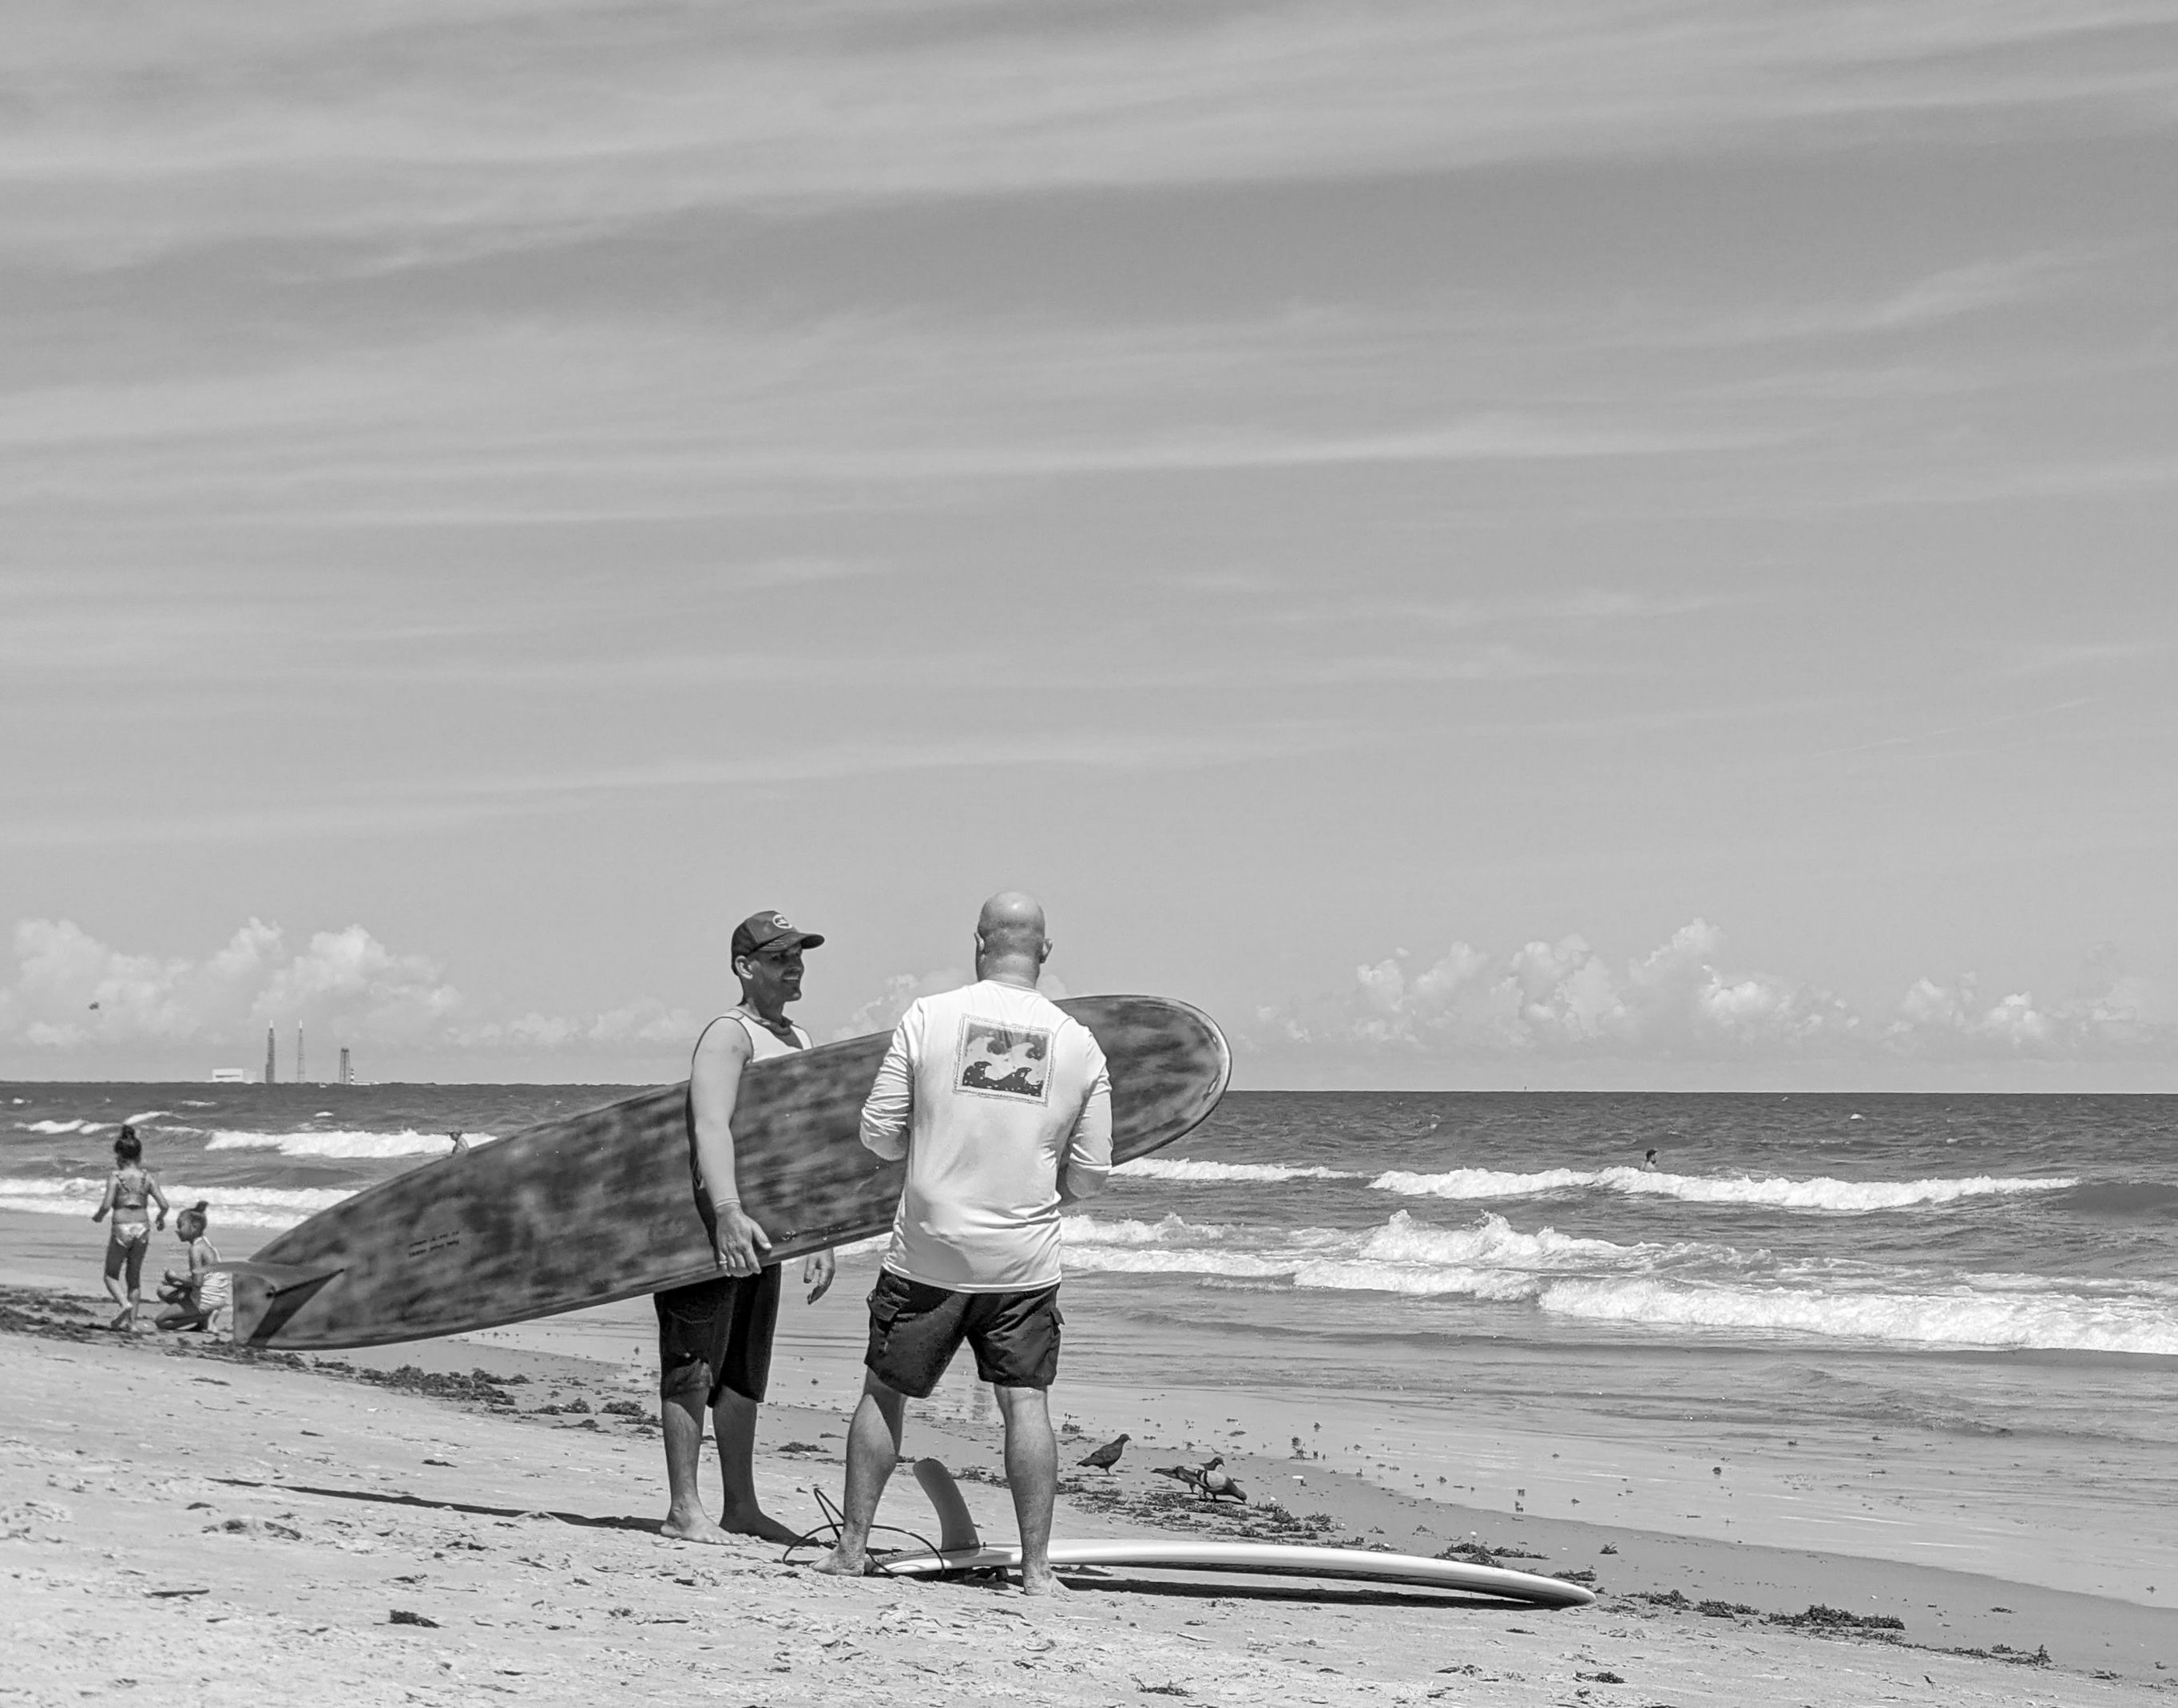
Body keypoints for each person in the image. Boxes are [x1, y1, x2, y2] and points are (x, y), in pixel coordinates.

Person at [819, 892, 1111, 1594]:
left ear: (977, 943)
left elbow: (877, 1132)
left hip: (927, 1252)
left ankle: (852, 1549)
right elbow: (1093, 1174)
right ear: (1045, 951)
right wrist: (1044, 1196)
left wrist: (928, 1149)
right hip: (1023, 1263)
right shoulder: (1077, 1042)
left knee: (885, 1394)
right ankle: (1037, 1570)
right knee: (1026, 1404)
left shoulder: (929, 1017)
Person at [657, 909, 838, 1546]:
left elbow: (802, 1148)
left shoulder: (799, 1041)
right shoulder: (727, 1036)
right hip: (710, 1226)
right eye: (780, 956)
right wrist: (728, 1212)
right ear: (745, 966)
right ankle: (684, 1507)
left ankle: (740, 1506)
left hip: (767, 1232)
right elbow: (711, 1126)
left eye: (798, 955)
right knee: (692, 1363)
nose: (795, 966)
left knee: (743, 1373)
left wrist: (822, 1236)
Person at [91, 1126, 169, 1331]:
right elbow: (164, 1205)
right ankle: (132, 1324)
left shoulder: (116, 1178)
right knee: (134, 1278)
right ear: (140, 1155)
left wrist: (98, 1217)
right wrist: (160, 1219)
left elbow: (107, 1205)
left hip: (122, 1228)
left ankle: (124, 1303)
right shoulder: (147, 1178)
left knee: (110, 1275)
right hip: (143, 1227)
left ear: (119, 1155)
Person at [156, 1202, 233, 1341]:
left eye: (180, 1226)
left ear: (194, 1227)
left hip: (207, 1298)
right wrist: (175, 1283)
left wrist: (175, 1277)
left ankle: (204, 1316)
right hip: (219, 1296)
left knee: (161, 1322)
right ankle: (202, 1321)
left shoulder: (195, 1250)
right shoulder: (206, 1244)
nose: (177, 1230)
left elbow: (198, 1282)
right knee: (164, 1291)